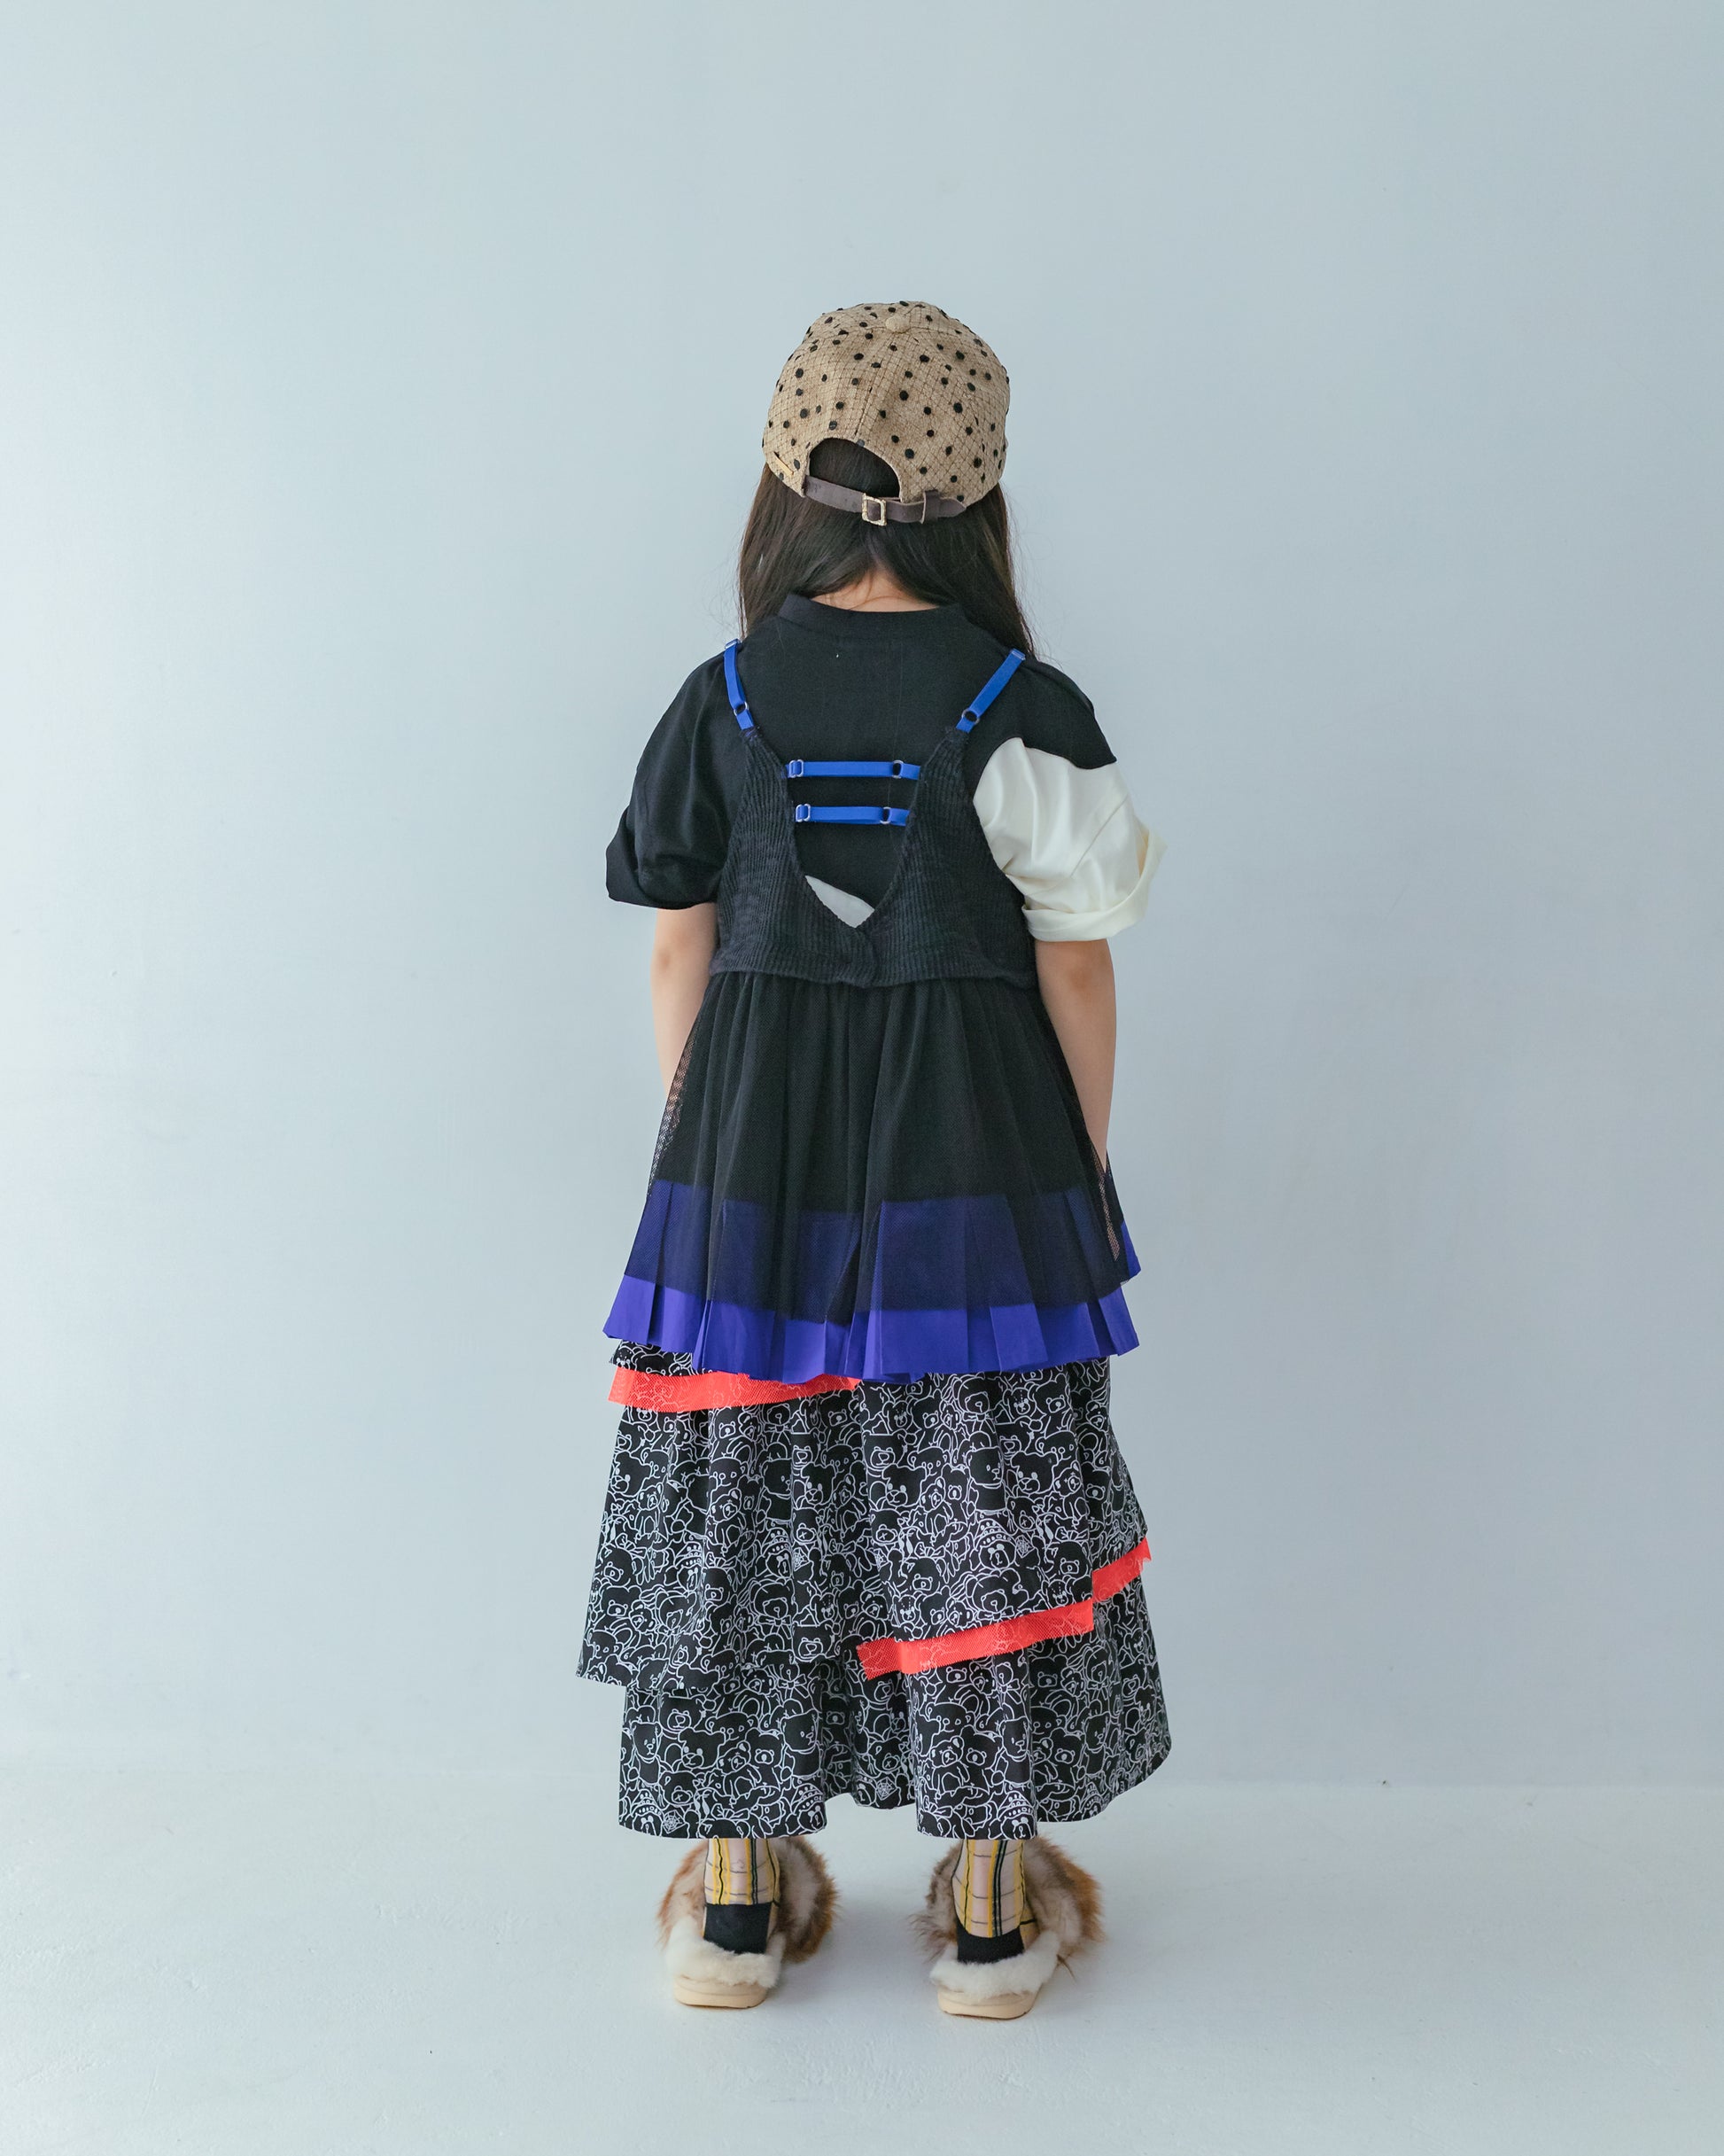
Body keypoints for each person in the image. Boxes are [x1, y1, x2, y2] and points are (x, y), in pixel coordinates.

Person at [580, 301, 1170, 2020]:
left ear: (786, 486)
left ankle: (733, 1906)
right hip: (974, 1163)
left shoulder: (721, 695)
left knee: (741, 1496)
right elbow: (1075, 962)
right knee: (976, 1490)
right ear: (980, 498)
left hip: (744, 1162)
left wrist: (704, 1148)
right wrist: (1074, 1170)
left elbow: (678, 943)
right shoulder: (1020, 702)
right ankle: (988, 1911)